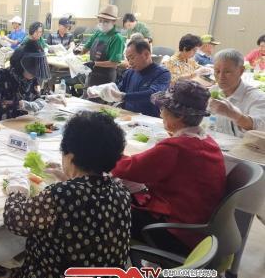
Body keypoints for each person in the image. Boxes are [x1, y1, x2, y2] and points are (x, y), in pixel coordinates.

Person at [0, 111, 131, 278]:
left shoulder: (60, 196)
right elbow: (87, 200)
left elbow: (14, 220)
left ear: (70, 156)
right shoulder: (121, 191)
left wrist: (17, 190)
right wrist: (68, 178)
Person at [112, 80, 226, 255]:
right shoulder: (207, 141)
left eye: (163, 109)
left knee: (105, 209)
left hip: (175, 232)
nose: (161, 113)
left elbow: (128, 169)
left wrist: (106, 153)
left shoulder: (176, 148)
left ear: (178, 116)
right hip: (198, 227)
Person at [88, 39, 171, 117]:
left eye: (132, 58)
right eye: (128, 59)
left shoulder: (162, 73)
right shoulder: (130, 72)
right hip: (128, 116)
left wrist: (123, 96)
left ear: (146, 54)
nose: (130, 62)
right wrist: (100, 91)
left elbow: (152, 94)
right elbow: (118, 90)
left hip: (149, 118)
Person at [0, 40, 51, 122]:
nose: (34, 73)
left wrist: (48, 99)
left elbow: (36, 98)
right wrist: (19, 104)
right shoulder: (2, 75)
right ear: (20, 65)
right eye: (31, 67)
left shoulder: (32, 78)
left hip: (22, 121)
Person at [209, 49, 265, 137]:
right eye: (217, 71)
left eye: (227, 72)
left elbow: (259, 128)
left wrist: (233, 114)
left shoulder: (257, 98)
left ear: (241, 71)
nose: (221, 77)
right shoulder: (211, 92)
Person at [75, 5, 125, 87]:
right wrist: (78, 51)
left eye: (106, 21)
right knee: (88, 93)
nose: (102, 23)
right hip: (92, 74)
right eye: (100, 20)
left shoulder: (117, 38)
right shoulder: (98, 33)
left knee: (99, 95)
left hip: (105, 78)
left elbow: (114, 63)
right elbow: (85, 48)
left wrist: (95, 63)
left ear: (114, 21)